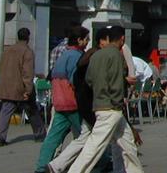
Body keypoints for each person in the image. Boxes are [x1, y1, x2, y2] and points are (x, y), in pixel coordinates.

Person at [65, 25, 143, 173]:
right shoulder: (115, 55)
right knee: (95, 146)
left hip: (100, 103)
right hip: (111, 107)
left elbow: (89, 79)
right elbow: (116, 82)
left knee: (128, 144)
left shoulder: (96, 55)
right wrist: (117, 100)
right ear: (122, 39)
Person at [35, 26, 89, 173]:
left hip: (59, 103)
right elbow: (76, 81)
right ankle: (97, 163)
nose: (88, 41)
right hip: (72, 103)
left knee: (53, 137)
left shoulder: (63, 55)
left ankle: (41, 166)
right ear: (79, 40)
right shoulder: (76, 57)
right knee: (86, 136)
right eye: (86, 39)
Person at [0, 27, 45, 147]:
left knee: (5, 112)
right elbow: (27, 73)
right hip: (21, 88)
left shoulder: (7, 50)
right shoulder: (27, 51)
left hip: (7, 87)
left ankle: (0, 138)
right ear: (28, 38)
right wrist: (28, 89)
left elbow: (0, 66)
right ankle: (40, 134)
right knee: (32, 110)